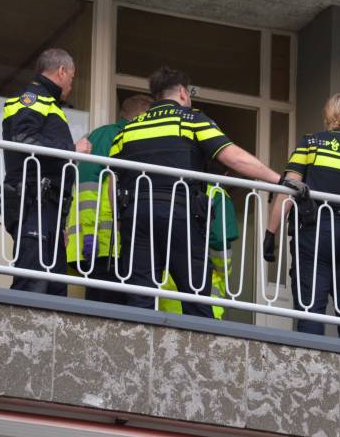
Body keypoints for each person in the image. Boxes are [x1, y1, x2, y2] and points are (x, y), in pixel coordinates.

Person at [109, 66, 302, 317]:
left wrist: (121, 220)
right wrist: (280, 180)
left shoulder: (128, 129)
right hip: (180, 214)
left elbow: (113, 180)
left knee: (140, 299)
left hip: (137, 216)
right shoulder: (192, 119)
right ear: (182, 92)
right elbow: (233, 156)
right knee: (195, 296)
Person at [264, 93, 340, 342]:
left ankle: (310, 374)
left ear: (327, 120)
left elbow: (287, 193)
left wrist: (271, 233)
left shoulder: (311, 144)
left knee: (311, 311)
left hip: (315, 232)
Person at [1, 48, 89, 296]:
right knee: (33, 282)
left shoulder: (49, 104)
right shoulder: (32, 98)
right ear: (61, 71)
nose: (71, 86)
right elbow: (24, 140)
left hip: (48, 208)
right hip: (33, 202)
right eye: (71, 78)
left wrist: (60, 224)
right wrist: (72, 150)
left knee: (55, 288)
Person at [66, 93, 153, 304]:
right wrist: (91, 234)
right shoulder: (112, 135)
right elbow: (88, 185)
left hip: (109, 243)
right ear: (141, 116)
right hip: (103, 242)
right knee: (107, 306)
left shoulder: (109, 135)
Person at [158, 163, 239, 318]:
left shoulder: (178, 188)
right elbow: (220, 242)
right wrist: (223, 274)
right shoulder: (217, 194)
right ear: (226, 175)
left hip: (167, 294)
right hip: (205, 292)